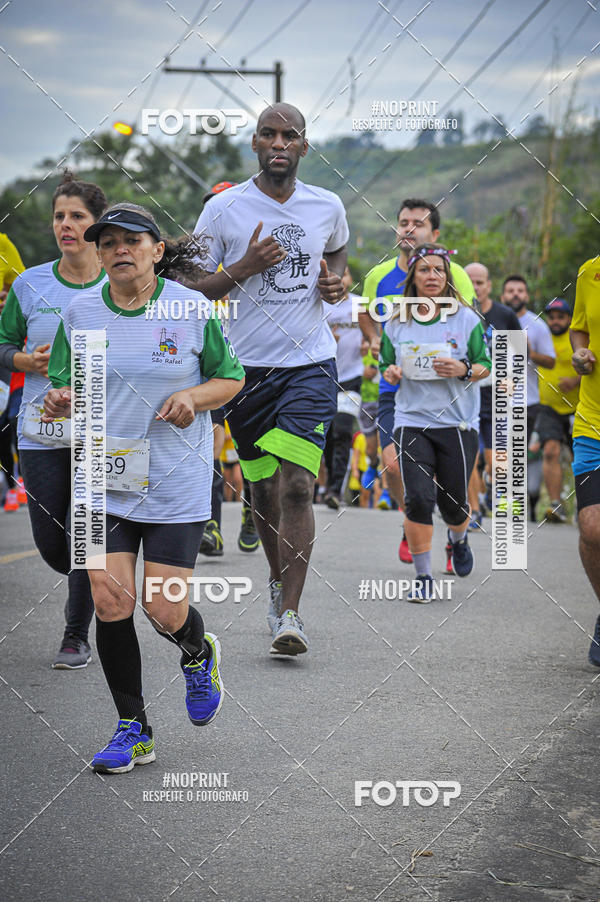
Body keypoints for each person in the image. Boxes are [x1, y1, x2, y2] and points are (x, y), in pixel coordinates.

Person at [43, 202, 245, 772]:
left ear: (158, 251)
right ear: (99, 253)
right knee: (111, 601)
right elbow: (64, 385)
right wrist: (61, 399)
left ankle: (199, 654)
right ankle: (133, 728)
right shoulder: (80, 312)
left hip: (176, 483)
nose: (119, 249)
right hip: (100, 478)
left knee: (163, 610)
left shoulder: (191, 307)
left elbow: (230, 378)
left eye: (133, 240)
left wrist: (192, 397)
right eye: (108, 242)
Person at [193, 102, 348, 656]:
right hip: (245, 371)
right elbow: (191, 288)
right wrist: (244, 268)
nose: (279, 143)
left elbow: (337, 257)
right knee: (261, 488)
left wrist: (338, 285)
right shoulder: (223, 209)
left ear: (304, 146)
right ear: (255, 144)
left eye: (290, 135)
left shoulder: (327, 205)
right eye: (268, 134)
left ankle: (290, 615)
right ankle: (278, 582)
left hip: (310, 363)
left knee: (299, 485)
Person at [0, 172, 107, 668]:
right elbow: (2, 347)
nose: (66, 225)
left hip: (105, 428)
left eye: (77, 216)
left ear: (96, 223)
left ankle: (75, 634)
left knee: (88, 530)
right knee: (51, 540)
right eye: (59, 216)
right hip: (42, 427)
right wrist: (26, 362)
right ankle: (100, 578)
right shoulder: (29, 283)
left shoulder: (121, 281)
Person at [358, 198, 476, 564]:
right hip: (396, 388)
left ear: (434, 234)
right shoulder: (379, 276)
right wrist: (377, 340)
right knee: (392, 464)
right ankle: (412, 519)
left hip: (447, 397)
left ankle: (453, 531)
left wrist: (462, 367)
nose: (408, 228)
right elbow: (365, 313)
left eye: (417, 223)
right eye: (403, 222)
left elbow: (466, 324)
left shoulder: (454, 274)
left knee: (452, 480)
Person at [380, 244, 491, 602]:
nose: (432, 276)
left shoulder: (467, 319)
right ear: (413, 277)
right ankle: (424, 576)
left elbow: (486, 365)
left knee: (454, 503)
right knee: (418, 499)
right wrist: (391, 372)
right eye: (424, 270)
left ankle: (458, 539)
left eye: (439, 270)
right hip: (412, 420)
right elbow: (383, 363)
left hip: (458, 424)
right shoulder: (397, 320)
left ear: (448, 278)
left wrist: (462, 370)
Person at [195, 180, 260, 557]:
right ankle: (211, 525)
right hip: (212, 370)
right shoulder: (194, 262)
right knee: (212, 448)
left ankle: (253, 511)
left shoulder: (254, 252)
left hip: (252, 365)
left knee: (252, 449)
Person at [464, 262, 522, 530]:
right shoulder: (457, 313)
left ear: (489, 285)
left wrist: (511, 382)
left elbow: (519, 353)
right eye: (469, 281)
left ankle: (498, 494)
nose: (475, 287)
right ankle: (473, 510)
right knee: (469, 456)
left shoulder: (505, 315)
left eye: (480, 282)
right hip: (466, 393)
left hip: (496, 393)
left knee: (495, 457)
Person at [501, 274, 555, 520]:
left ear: (526, 295)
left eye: (520, 291)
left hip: (528, 401)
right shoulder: (494, 320)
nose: (515, 294)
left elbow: (551, 361)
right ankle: (504, 500)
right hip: (498, 399)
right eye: (510, 290)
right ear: (502, 295)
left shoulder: (537, 325)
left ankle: (520, 502)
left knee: (520, 453)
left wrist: (529, 352)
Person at [568, 258, 600, 666]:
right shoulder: (589, 270)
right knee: (592, 527)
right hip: (593, 420)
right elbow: (580, 328)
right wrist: (580, 354)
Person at [535, 298, 580, 523]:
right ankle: (556, 505)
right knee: (550, 452)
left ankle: (585, 504)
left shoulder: (578, 337)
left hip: (578, 407)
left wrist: (576, 380)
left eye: (560, 317)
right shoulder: (542, 337)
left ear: (569, 319)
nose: (555, 321)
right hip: (548, 406)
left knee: (579, 456)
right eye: (551, 317)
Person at [323, 265, 363, 508]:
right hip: (323, 377)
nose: (340, 278)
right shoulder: (319, 305)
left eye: (345, 273)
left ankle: (336, 489)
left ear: (350, 279)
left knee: (343, 431)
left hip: (352, 377)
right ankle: (329, 484)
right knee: (326, 435)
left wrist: (371, 349)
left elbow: (375, 335)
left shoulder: (360, 305)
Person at [0, 234, 26, 509]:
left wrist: (6, 300)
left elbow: (21, 291)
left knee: (9, 421)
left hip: (3, 353)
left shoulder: (4, 244)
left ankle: (17, 484)